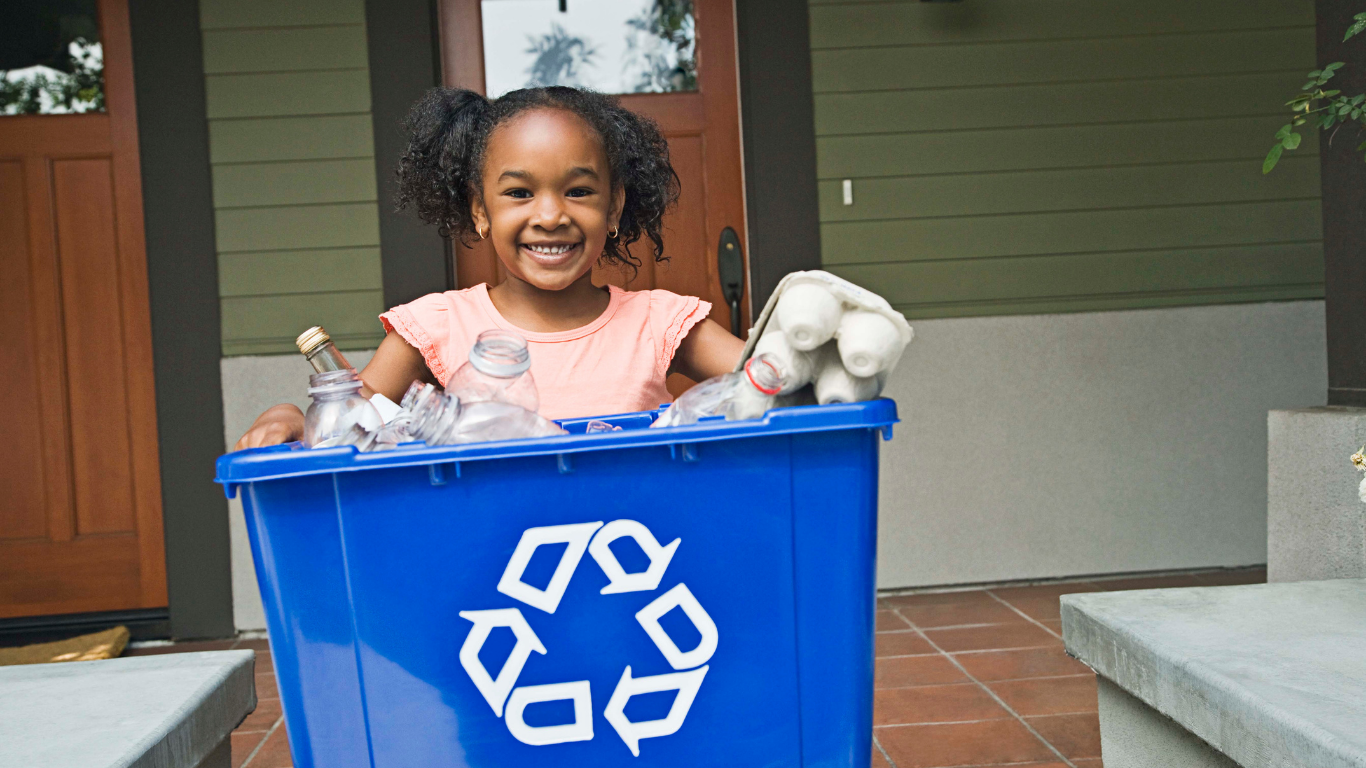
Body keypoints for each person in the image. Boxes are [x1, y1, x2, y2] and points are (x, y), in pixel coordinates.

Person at [235, 86, 743, 449]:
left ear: (613, 209)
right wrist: (287, 416)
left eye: (579, 191)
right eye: (519, 193)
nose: (550, 216)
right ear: (481, 210)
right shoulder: (438, 326)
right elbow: (350, 419)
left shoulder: (661, 324)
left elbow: (776, 379)